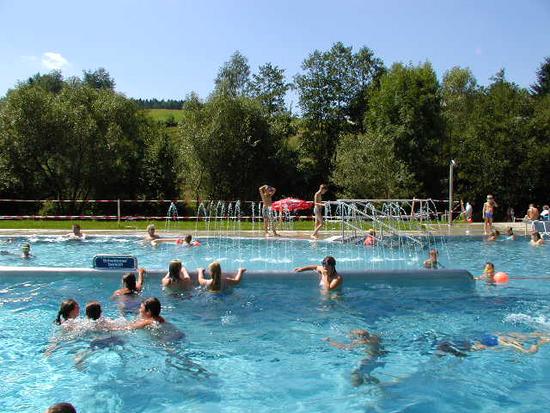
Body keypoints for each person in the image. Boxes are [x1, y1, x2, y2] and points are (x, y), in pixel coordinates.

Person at [436, 332, 550, 357]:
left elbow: (528, 352)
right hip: (482, 340)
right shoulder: (507, 340)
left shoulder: (506, 340)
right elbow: (528, 352)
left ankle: (541, 339)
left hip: (484, 339)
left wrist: (538, 343)